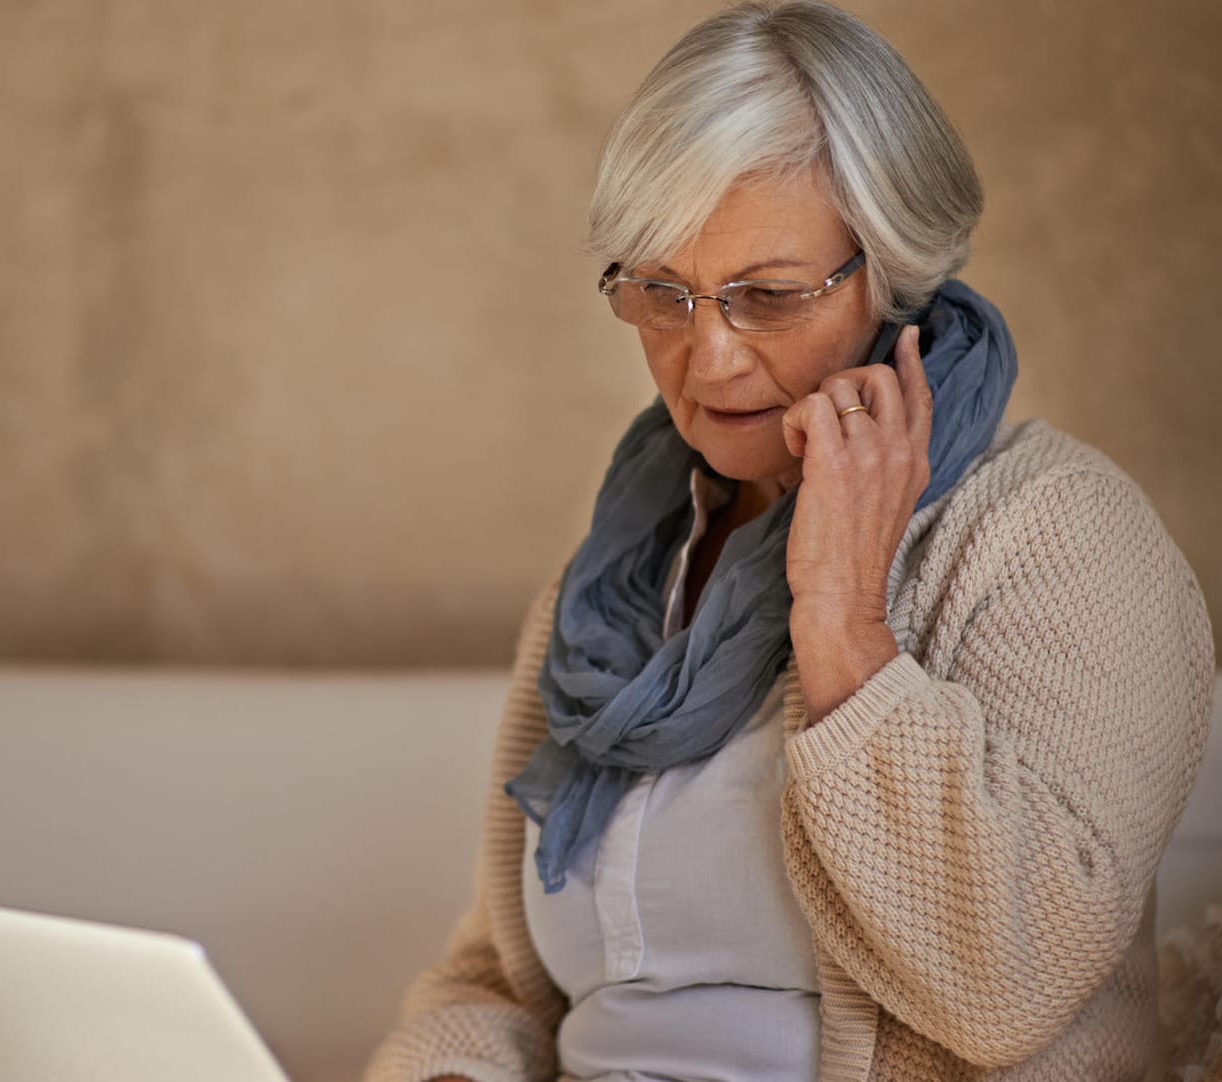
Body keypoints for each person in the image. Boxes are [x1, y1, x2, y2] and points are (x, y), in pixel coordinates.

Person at [362, 2, 1216, 1080]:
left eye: (766, 296)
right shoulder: (617, 579)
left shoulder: (1057, 538)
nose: (704, 358)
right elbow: (501, 978)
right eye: (661, 291)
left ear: (892, 275)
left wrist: (845, 620)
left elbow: (1014, 985)